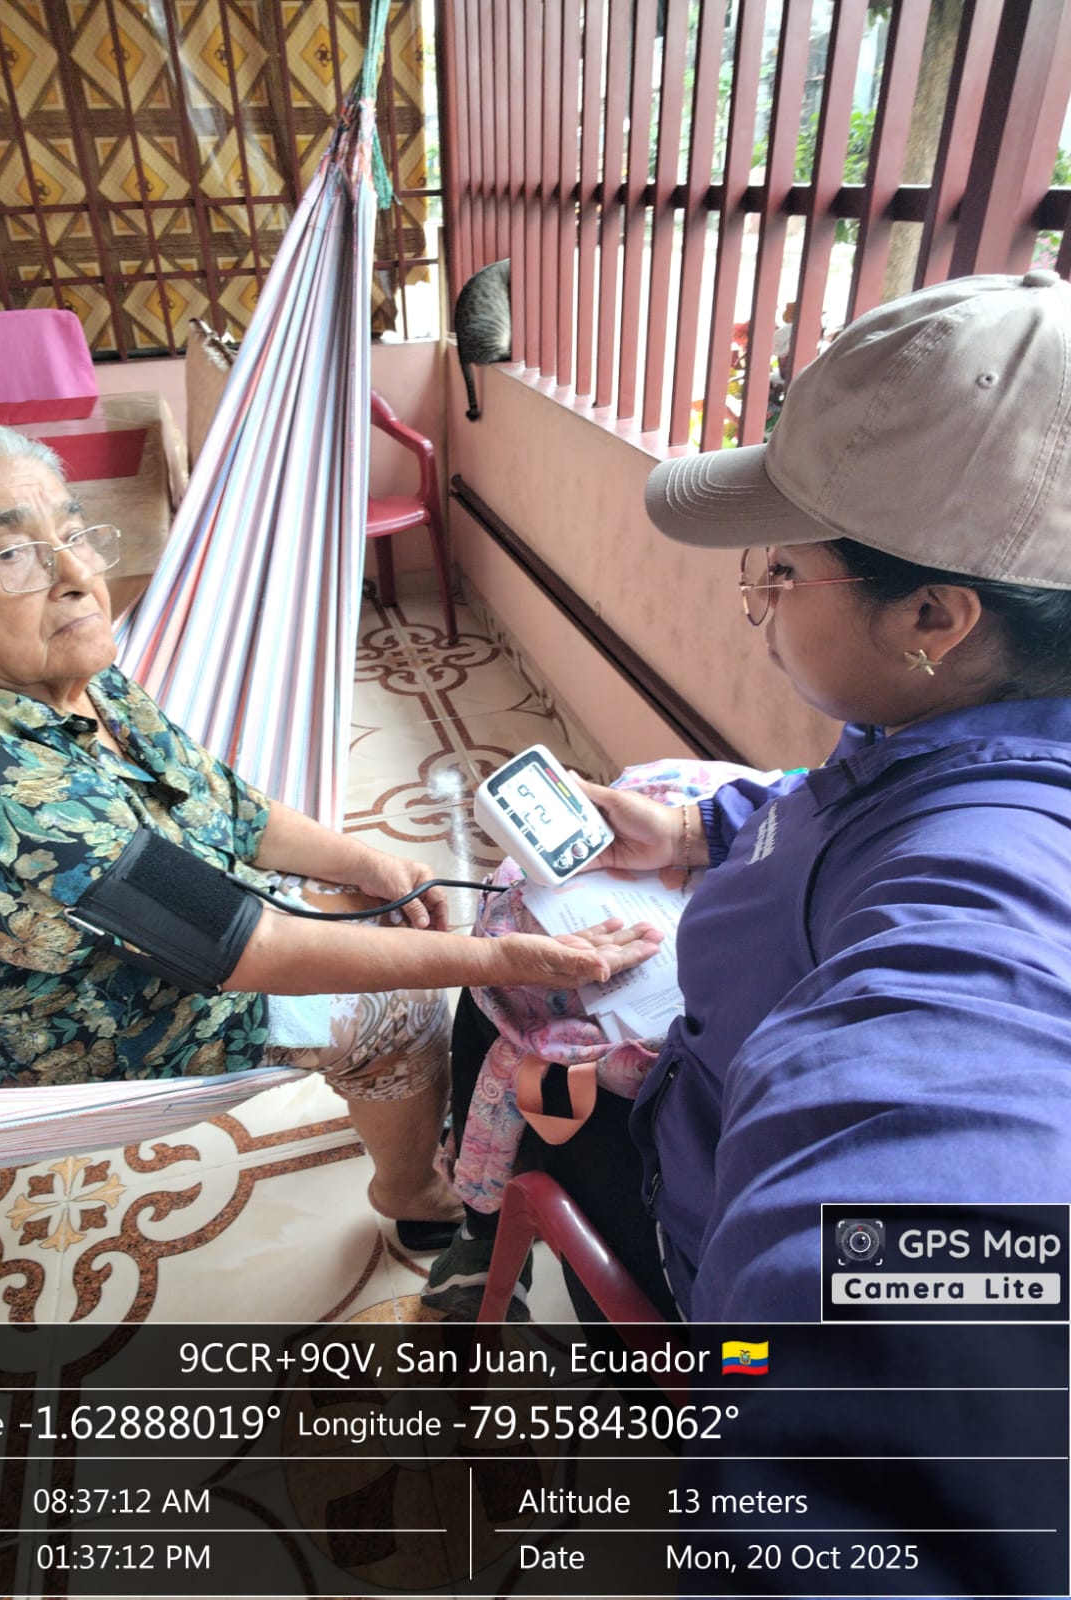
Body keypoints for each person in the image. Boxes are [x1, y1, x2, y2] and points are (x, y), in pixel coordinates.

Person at [425, 269, 1071, 1320]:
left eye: (783, 569)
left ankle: (482, 1238)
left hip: (695, 1209)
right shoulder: (950, 725)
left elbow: (928, 1305)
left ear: (933, 618)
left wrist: (763, 1385)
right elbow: (844, 801)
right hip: (709, 1072)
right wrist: (697, 828)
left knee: (500, 1007)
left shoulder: (983, 906)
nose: (760, 595)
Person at [0, 416, 663, 1245]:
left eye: (72, 534)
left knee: (371, 911)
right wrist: (501, 961)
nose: (75, 576)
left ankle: (400, 1098)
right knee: (398, 1007)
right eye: (11, 555)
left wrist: (367, 861)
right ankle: (413, 1194)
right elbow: (256, 952)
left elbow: (226, 804)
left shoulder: (71, 676)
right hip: (52, 1024)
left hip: (133, 926)